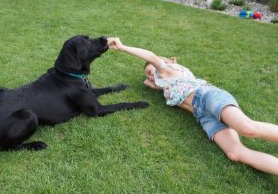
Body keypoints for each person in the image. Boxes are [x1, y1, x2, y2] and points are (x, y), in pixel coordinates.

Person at [107, 37, 278, 175]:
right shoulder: (164, 84)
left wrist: (123, 47)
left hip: (207, 97)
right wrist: (150, 80)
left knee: (248, 129)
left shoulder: (168, 70)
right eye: (149, 74)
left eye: (152, 72)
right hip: (202, 116)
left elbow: (151, 57)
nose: (152, 76)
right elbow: (149, 83)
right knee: (235, 153)